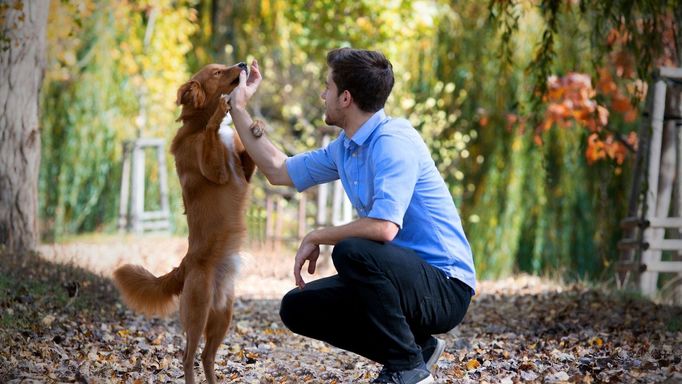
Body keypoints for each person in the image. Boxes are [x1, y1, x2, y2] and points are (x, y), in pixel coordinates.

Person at [228, 48, 476, 384]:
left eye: (327, 87)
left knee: (352, 251)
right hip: (399, 280)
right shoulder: (345, 148)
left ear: (345, 98)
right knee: (298, 307)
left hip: (445, 287)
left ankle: (408, 369)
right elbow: (278, 169)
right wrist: (237, 107)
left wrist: (317, 235)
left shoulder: (393, 141)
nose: (322, 94)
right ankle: (417, 349)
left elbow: (384, 228)